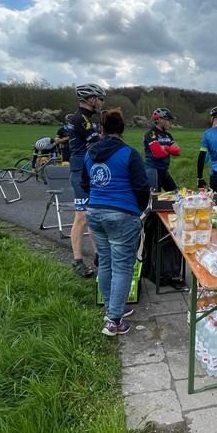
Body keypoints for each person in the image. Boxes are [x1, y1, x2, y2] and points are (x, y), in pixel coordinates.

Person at [82, 109, 150, 337]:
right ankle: (114, 321)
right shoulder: (129, 153)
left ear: (102, 129)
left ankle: (112, 309)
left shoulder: (89, 154)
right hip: (122, 214)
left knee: (105, 262)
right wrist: (137, 210)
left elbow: (84, 184)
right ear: (122, 129)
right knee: (122, 266)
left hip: (95, 212)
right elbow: (142, 187)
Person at [65, 83, 104, 278]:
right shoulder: (81, 119)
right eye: (99, 98)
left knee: (93, 214)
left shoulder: (88, 118)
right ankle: (77, 261)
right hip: (81, 170)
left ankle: (98, 256)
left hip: (89, 170)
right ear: (90, 99)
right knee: (81, 216)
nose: (101, 102)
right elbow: (97, 145)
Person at [143, 108, 180, 192]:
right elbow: (158, 153)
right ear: (159, 120)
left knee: (177, 194)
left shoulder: (168, 135)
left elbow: (177, 151)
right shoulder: (151, 133)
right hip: (153, 170)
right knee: (154, 197)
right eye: (168, 120)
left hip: (164, 170)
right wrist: (169, 149)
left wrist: (165, 148)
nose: (170, 123)